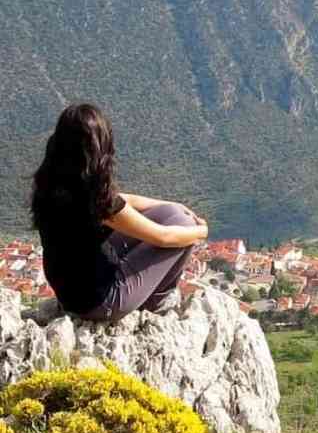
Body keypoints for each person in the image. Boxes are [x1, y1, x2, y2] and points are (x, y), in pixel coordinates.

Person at [31, 103, 208, 322]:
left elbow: (123, 201)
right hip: (101, 302)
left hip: (71, 293)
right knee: (185, 228)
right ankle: (156, 302)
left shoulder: (52, 184)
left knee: (173, 213)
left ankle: (148, 291)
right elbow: (163, 237)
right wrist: (201, 232)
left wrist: (173, 204)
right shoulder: (93, 197)